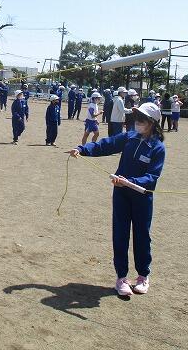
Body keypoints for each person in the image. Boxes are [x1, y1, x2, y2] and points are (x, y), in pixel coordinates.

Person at [70, 102, 165, 297]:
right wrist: (82, 149)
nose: (137, 121)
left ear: (152, 123)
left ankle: (143, 276)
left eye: (142, 119)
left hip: (141, 197)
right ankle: (121, 277)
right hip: (121, 194)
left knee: (142, 236)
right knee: (120, 234)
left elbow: (152, 177)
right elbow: (106, 144)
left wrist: (130, 182)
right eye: (137, 117)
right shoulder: (129, 137)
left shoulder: (157, 147)